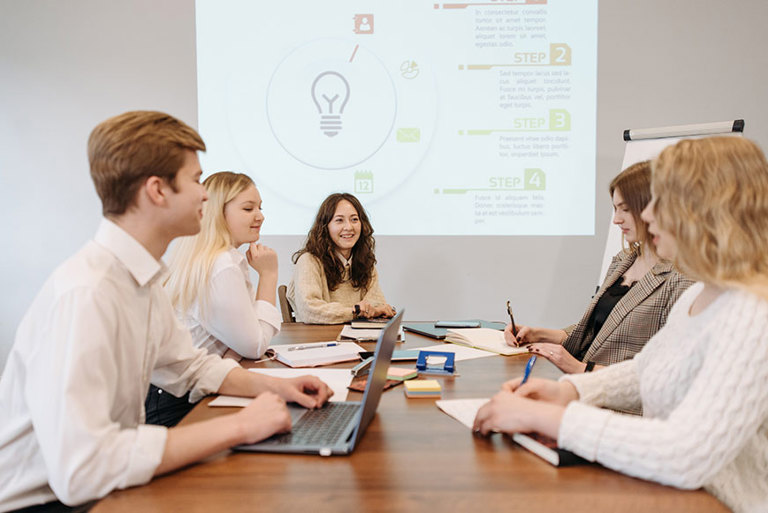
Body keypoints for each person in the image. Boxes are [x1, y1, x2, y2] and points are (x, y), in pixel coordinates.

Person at [0, 111, 333, 512]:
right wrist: (241, 426)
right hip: (47, 503)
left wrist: (279, 388)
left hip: (94, 488)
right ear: (157, 190)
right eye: (195, 180)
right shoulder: (88, 293)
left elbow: (190, 367)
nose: (205, 195)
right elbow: (81, 470)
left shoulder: (140, 278)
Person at [474, 137, 768, 513]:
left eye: (661, 201)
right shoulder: (703, 295)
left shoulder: (752, 314)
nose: (647, 216)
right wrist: (570, 392)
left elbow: (686, 453)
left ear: (705, 209)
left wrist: (552, 418)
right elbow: (647, 370)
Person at [506, 161, 693, 374]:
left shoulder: (683, 278)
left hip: (621, 402)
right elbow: (596, 334)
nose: (616, 220)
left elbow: (668, 373)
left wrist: (582, 369)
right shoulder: (624, 260)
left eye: (625, 209)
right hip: (586, 387)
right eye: (615, 209)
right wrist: (538, 334)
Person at [145, 171, 282, 427]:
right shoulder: (222, 266)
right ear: (219, 213)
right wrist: (269, 274)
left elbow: (244, 342)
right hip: (177, 404)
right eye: (248, 208)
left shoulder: (220, 259)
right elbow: (254, 346)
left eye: (260, 207)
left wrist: (233, 353)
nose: (260, 216)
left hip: (171, 395)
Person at [287, 193, 395, 324]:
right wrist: (355, 311)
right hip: (319, 340)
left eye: (354, 219)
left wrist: (378, 311)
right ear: (325, 226)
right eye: (339, 220)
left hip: (358, 339)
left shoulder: (365, 262)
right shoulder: (309, 261)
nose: (349, 227)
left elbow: (376, 304)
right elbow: (310, 310)